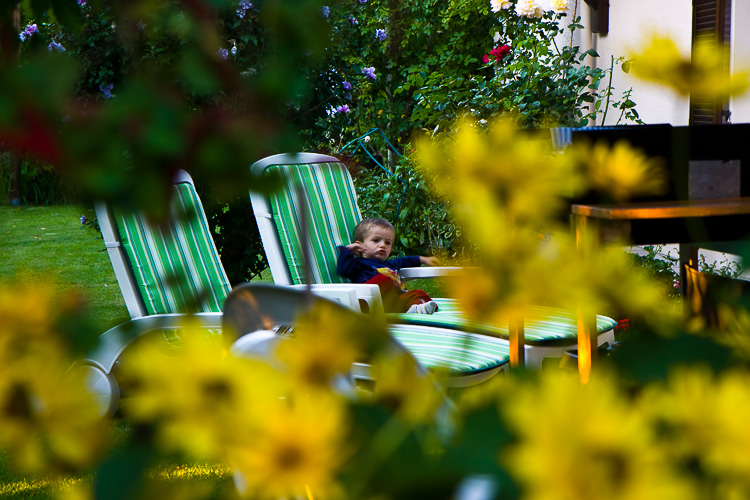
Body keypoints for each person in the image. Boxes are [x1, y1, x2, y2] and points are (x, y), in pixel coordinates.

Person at [336, 218, 440, 314]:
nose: (383, 245)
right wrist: (347, 251)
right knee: (384, 280)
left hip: (394, 302)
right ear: (360, 246)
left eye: (388, 243)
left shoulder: (391, 264)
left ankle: (417, 308)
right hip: (369, 303)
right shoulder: (358, 263)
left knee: (418, 293)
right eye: (376, 240)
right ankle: (415, 307)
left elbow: (406, 260)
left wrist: (424, 259)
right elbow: (343, 270)